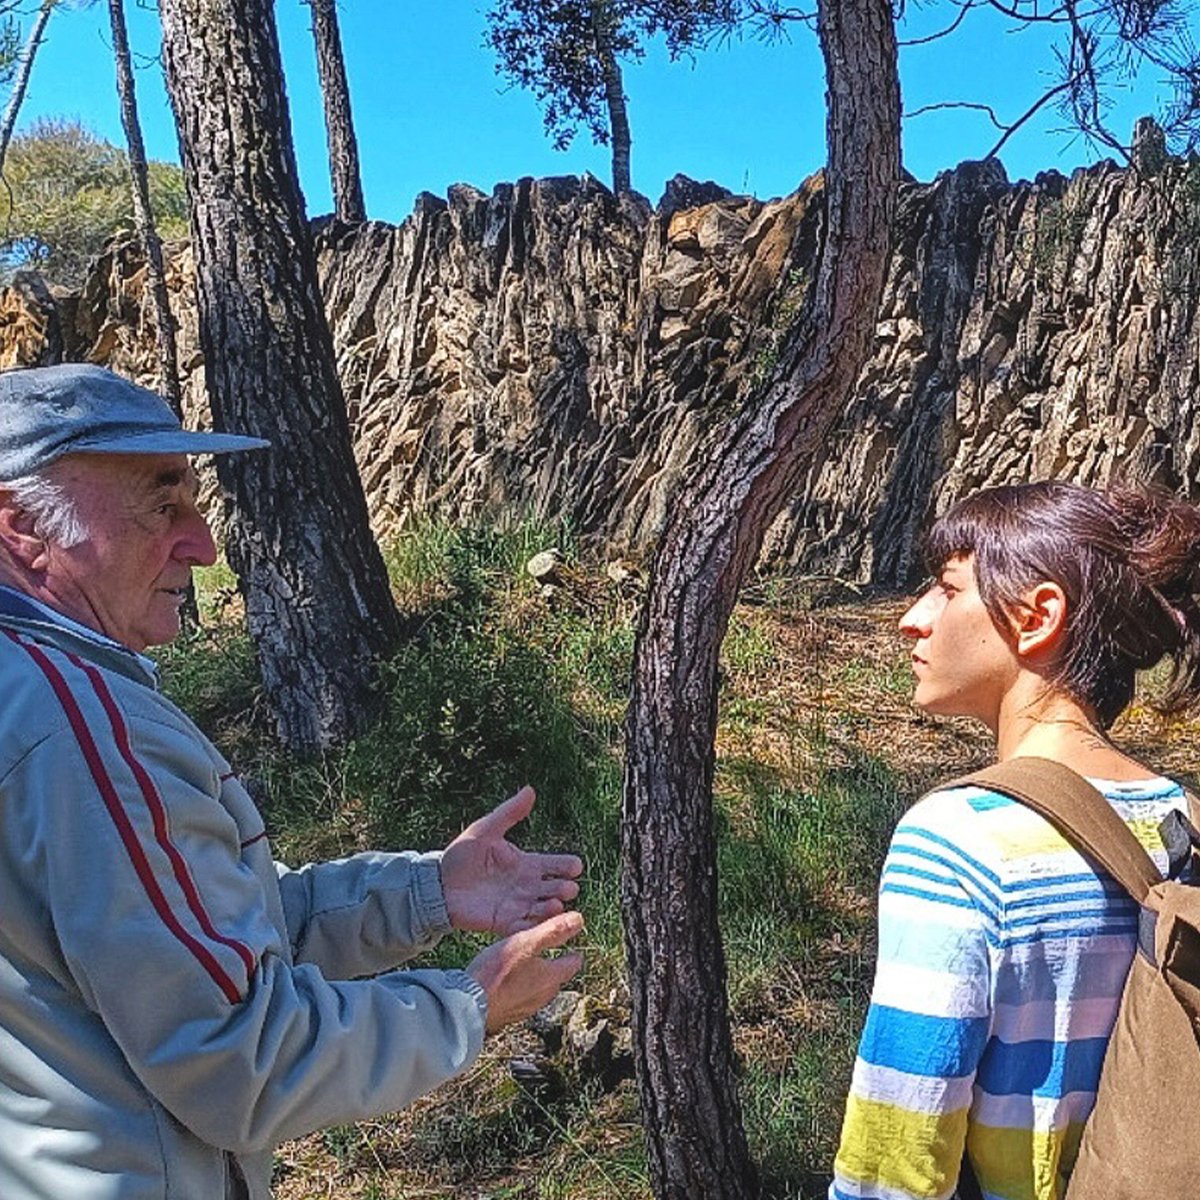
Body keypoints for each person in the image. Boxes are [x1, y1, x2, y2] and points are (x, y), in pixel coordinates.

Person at [0, 363, 585, 1200]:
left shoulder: (27, 695)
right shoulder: (80, 728)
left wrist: (427, 891)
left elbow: (215, 928)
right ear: (23, 528)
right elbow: (241, 1060)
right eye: (162, 505)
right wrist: (471, 1004)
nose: (201, 543)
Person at [829, 480, 1200, 1200]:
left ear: (1036, 617)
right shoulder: (1184, 819)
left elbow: (900, 1148)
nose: (912, 620)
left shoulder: (959, 840)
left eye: (947, 589)